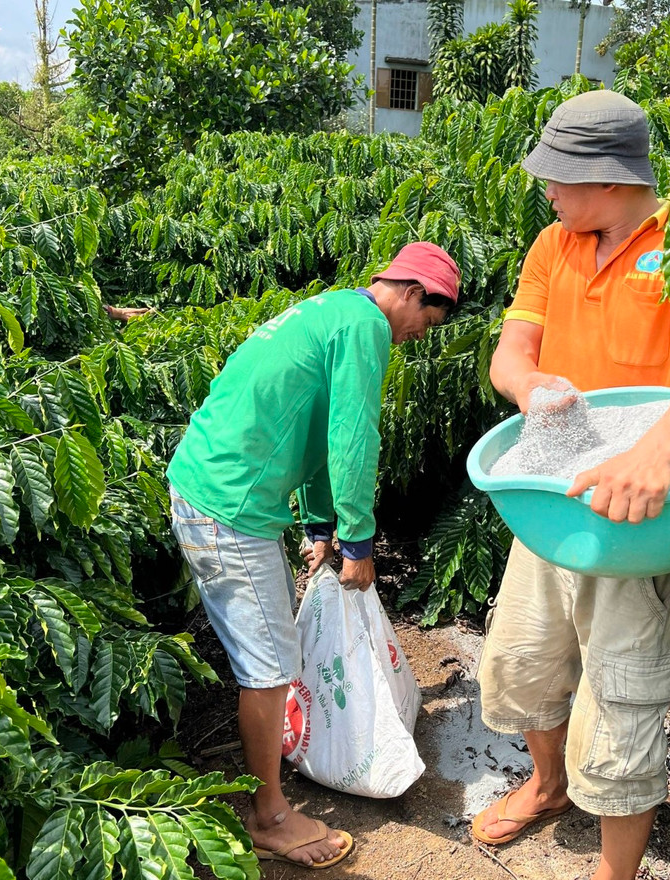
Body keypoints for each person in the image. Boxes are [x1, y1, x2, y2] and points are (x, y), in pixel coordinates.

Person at [471, 91, 670, 880]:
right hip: (551, 498)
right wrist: (531, 390)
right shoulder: (553, 244)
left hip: (638, 512)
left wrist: (653, 452)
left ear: (606, 176)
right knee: (525, 659)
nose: (548, 192)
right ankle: (549, 785)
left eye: (558, 178)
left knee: (623, 697)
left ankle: (615, 871)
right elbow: (510, 353)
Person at [166, 242, 461, 869]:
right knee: (270, 666)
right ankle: (267, 817)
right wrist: (357, 543)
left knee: (269, 652)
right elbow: (354, 437)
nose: (416, 336)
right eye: (426, 322)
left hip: (212, 488)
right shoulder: (368, 328)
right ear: (411, 292)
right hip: (228, 509)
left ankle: (265, 788)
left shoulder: (333, 311)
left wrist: (320, 526)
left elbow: (321, 426)